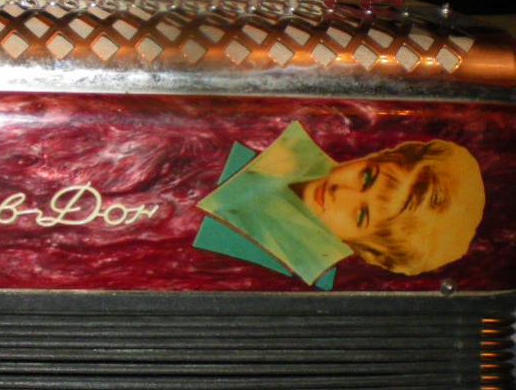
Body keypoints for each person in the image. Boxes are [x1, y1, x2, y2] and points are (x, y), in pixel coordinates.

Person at [197, 121, 486, 285]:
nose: (341, 192)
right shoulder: (289, 137)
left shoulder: (291, 267)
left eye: (361, 215)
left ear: (368, 250)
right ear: (378, 156)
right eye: (367, 177)